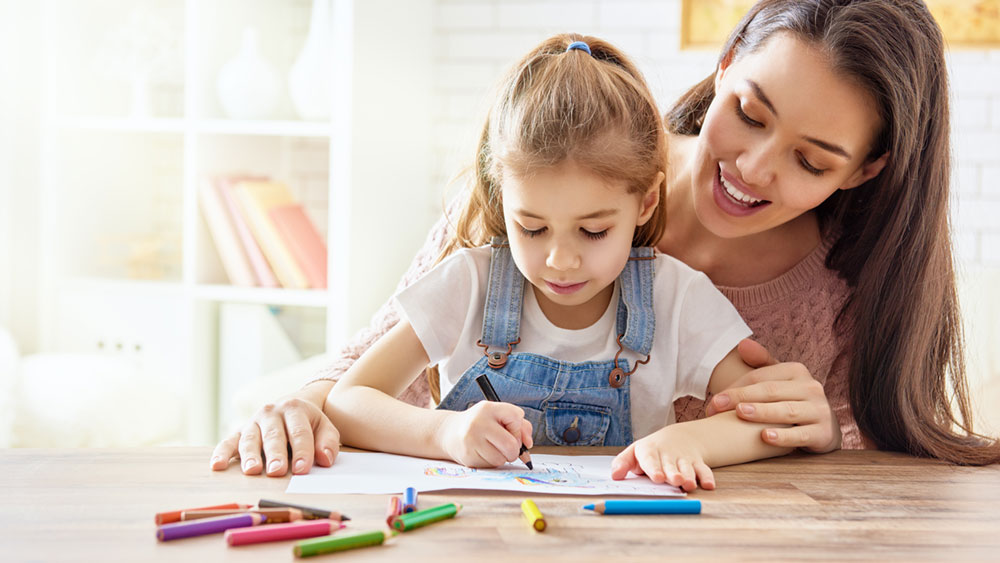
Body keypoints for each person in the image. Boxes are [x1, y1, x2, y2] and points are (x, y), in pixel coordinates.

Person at [211, 0, 1000, 478]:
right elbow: (364, 372)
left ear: (864, 171)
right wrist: (304, 407)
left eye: (811, 160)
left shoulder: (842, 288)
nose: (752, 166)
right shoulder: (565, 167)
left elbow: (867, 464)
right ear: (725, 64)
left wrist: (827, 431)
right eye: (752, 113)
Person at [325, 35, 792, 491]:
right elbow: (347, 401)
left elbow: (768, 419)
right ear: (501, 197)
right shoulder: (470, 284)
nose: (560, 261)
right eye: (531, 227)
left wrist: (690, 439)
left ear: (647, 201)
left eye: (594, 231)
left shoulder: (675, 297)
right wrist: (443, 432)